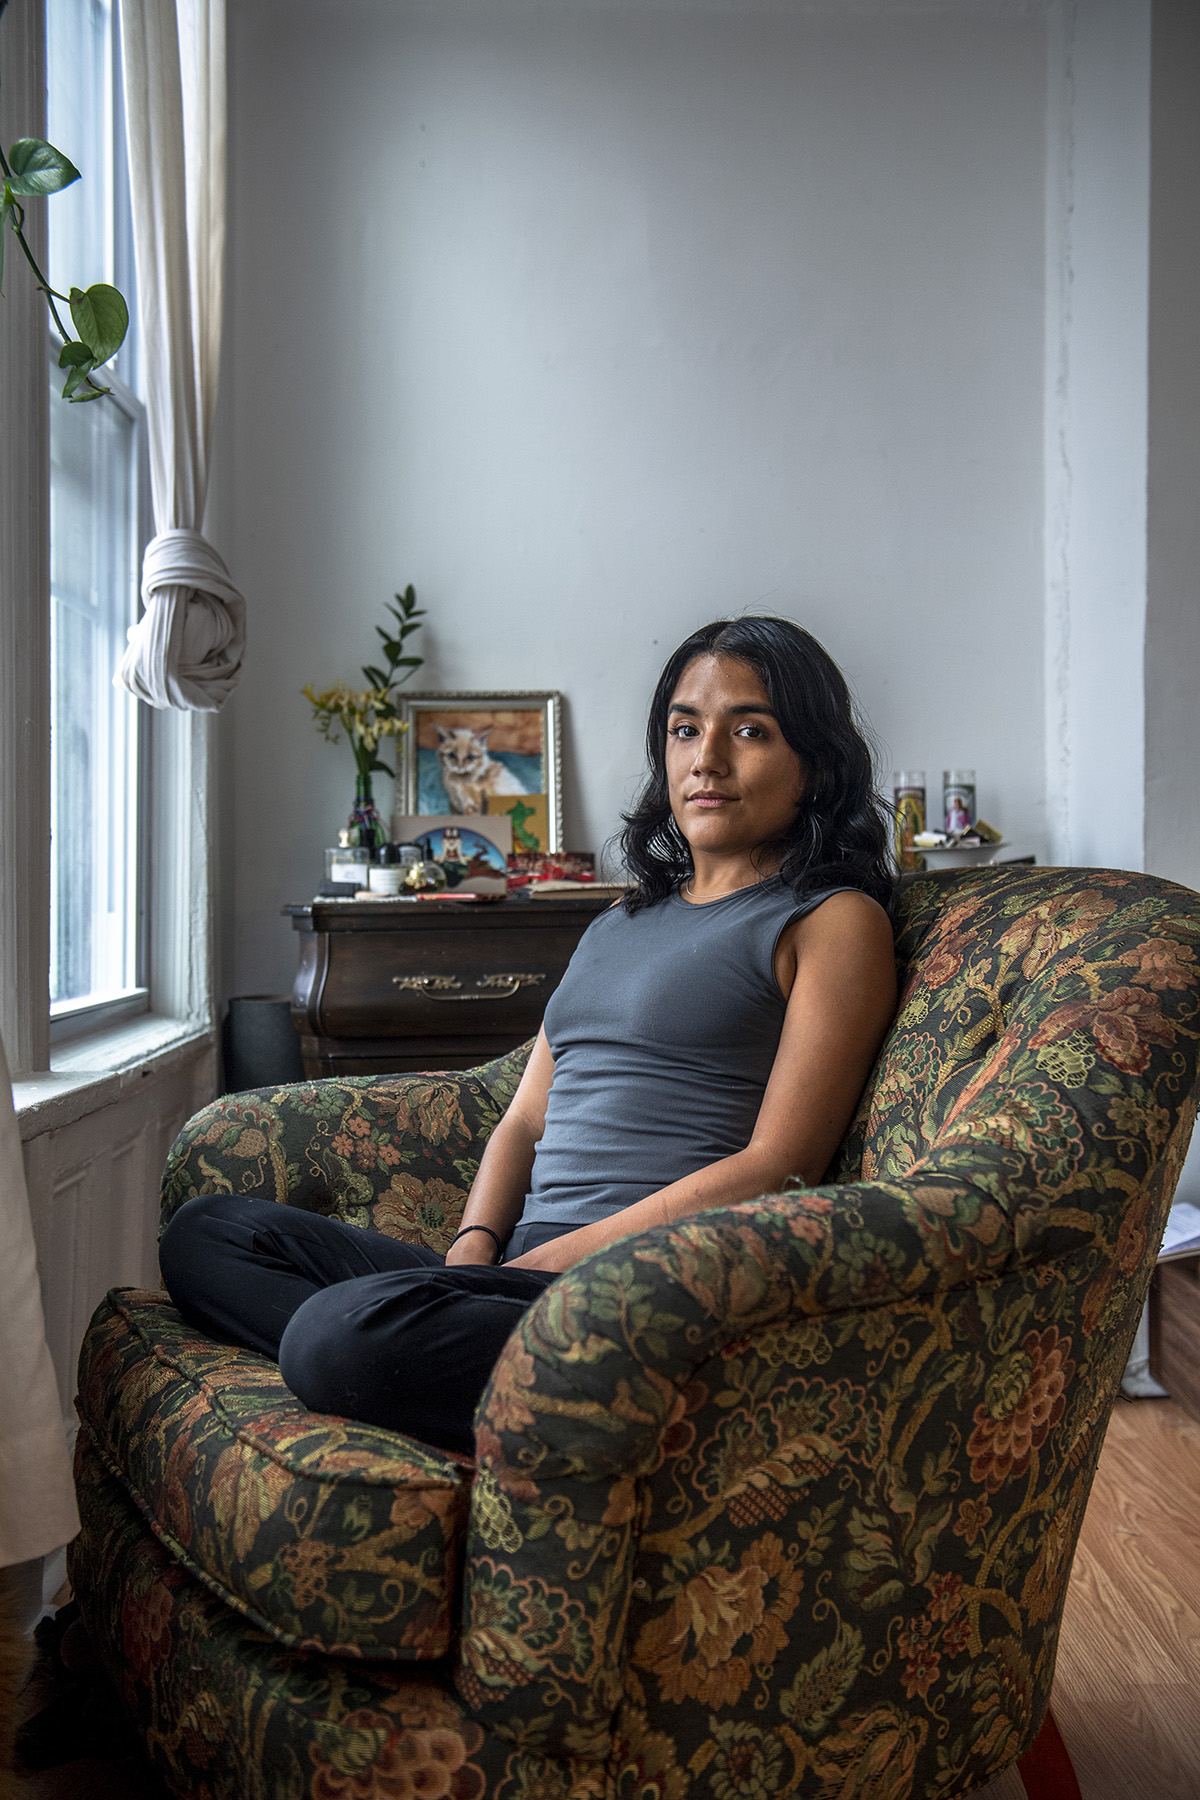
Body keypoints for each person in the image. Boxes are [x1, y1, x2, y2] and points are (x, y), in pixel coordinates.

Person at [160, 617, 897, 1455]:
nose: (708, 759)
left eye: (751, 731)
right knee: (209, 1234)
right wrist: (474, 1253)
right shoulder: (622, 918)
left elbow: (778, 1165)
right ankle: (461, 1377)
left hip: (636, 1290)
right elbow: (526, 1117)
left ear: (818, 761)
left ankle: (416, 1364)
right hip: (513, 1281)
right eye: (686, 729)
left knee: (336, 1336)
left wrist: (543, 1269)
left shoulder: (831, 920)